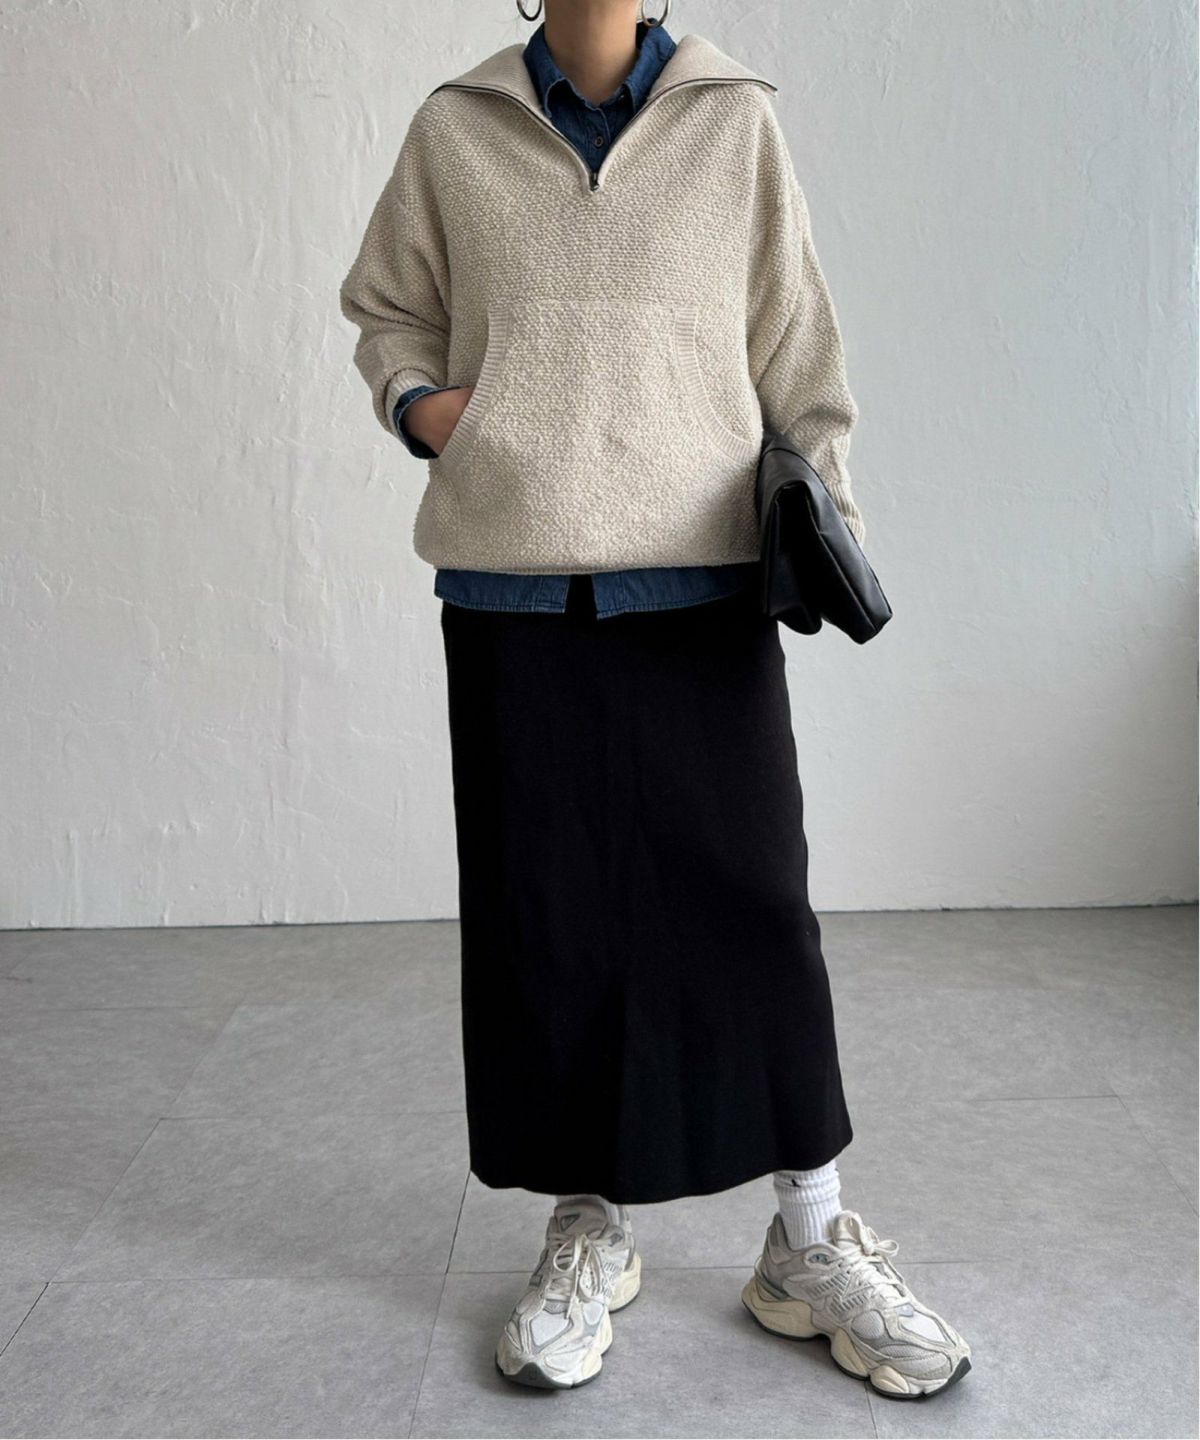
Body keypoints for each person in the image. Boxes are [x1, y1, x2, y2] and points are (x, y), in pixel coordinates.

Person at [339, 0, 972, 1401]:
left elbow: (798, 350)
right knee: (550, 916)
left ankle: (808, 1237)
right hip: (513, 584)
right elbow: (386, 307)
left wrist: (831, 525)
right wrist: (430, 409)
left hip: (702, 582)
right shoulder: (457, 127)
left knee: (753, 906)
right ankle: (588, 1224)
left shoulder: (733, 119)